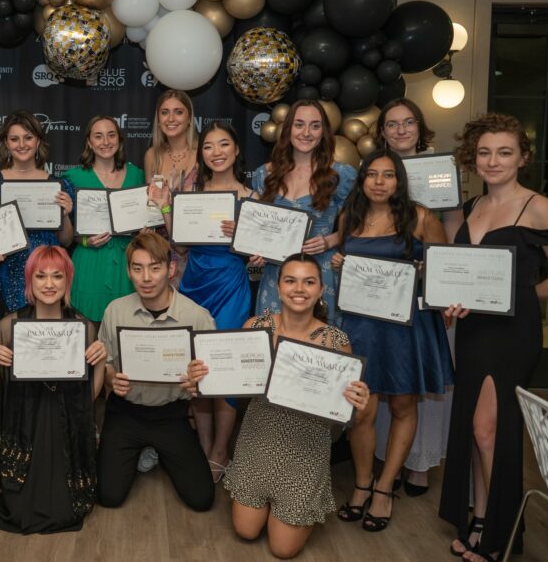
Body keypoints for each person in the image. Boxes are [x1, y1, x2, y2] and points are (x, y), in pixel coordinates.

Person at [440, 113, 548, 562]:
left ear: (522, 157)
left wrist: (516, 299)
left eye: (504, 152)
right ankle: (482, 518)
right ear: (472, 158)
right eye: (484, 152)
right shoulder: (470, 208)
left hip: (512, 334)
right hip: (474, 331)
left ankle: (499, 533)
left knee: (487, 429)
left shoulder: (537, 206)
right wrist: (452, 301)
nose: (493, 161)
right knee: (481, 430)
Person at [187, 254, 370, 559]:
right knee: (245, 531)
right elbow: (225, 380)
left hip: (304, 448)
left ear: (321, 289)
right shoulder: (255, 327)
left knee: (282, 550)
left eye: (309, 281)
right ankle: (273, 508)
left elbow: (342, 414)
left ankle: (301, 506)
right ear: (278, 285)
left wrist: (358, 402)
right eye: (291, 280)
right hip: (258, 441)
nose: (299, 289)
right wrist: (200, 379)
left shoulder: (335, 342)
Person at [330, 150, 453, 532]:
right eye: (371, 174)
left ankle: (384, 489)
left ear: (399, 180)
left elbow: (445, 272)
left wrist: (422, 272)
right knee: (362, 411)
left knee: (402, 404)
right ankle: (362, 484)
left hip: (405, 328)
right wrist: (338, 264)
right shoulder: (349, 217)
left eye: (388, 175)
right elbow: (344, 269)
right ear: (363, 179)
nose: (379, 182)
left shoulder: (420, 218)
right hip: (362, 325)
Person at [0, 246, 106, 533]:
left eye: (57, 276)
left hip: (66, 429)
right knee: (20, 513)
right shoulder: (9, 326)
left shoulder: (82, 326)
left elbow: (90, 397)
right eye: (41, 276)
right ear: (30, 281)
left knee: (68, 511)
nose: (49, 284)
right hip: (25, 429)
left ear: (67, 281)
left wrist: (101, 364)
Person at [150, 121, 254, 480]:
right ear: (202, 154)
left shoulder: (252, 197)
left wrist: (244, 237)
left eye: (224, 144)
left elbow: (262, 252)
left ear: (236, 150)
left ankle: (221, 451)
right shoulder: (192, 194)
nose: (217, 152)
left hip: (230, 285)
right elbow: (179, 246)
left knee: (224, 372)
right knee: (198, 369)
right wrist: (165, 207)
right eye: (209, 147)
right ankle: (203, 444)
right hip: (194, 282)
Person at [96, 232, 216, 513]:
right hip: (125, 412)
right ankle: (141, 451)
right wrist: (113, 379)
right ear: (129, 272)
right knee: (108, 497)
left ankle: (156, 452)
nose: (146, 277)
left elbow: (211, 376)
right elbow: (106, 362)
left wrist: (200, 382)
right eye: (137, 269)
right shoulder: (115, 310)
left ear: (170, 269)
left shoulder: (196, 316)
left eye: (154, 267)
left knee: (201, 499)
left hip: (170, 414)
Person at [372, 97, 450, 497]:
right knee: (388, 385)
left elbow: (452, 234)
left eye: (408, 123)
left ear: (420, 127)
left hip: (424, 297)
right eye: (392, 124)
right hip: (382, 298)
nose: (401, 131)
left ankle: (419, 465)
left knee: (422, 383)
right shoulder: (375, 173)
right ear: (382, 131)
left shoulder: (440, 171)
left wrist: (443, 278)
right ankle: (389, 460)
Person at [251, 99, 357, 325]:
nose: (306, 132)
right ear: (288, 129)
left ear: (324, 132)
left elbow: (362, 223)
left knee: (318, 351)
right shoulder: (265, 175)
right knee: (272, 344)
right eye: (299, 124)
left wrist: (331, 240)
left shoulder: (341, 175)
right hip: (276, 277)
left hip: (320, 275)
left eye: (315, 126)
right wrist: (257, 251)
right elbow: (259, 229)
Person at [0, 110, 76, 313]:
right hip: (6, 270)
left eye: (28, 137)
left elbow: (66, 241)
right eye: (14, 139)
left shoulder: (57, 185)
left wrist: (64, 214)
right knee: (9, 330)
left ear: (38, 141)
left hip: (45, 271)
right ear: (6, 144)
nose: (22, 144)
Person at [65, 115, 145, 323]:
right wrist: (84, 240)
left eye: (111, 135)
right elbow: (66, 235)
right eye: (98, 136)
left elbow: (143, 221)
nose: (106, 142)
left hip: (126, 264)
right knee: (86, 334)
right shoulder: (73, 177)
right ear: (89, 143)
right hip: (90, 261)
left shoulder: (137, 174)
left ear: (119, 139)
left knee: (127, 328)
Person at [143, 90, 199, 283]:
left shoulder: (203, 153)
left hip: (194, 253)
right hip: (160, 254)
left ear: (190, 118)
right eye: (165, 112)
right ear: (158, 119)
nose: (171, 118)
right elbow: (149, 205)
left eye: (178, 112)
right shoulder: (152, 155)